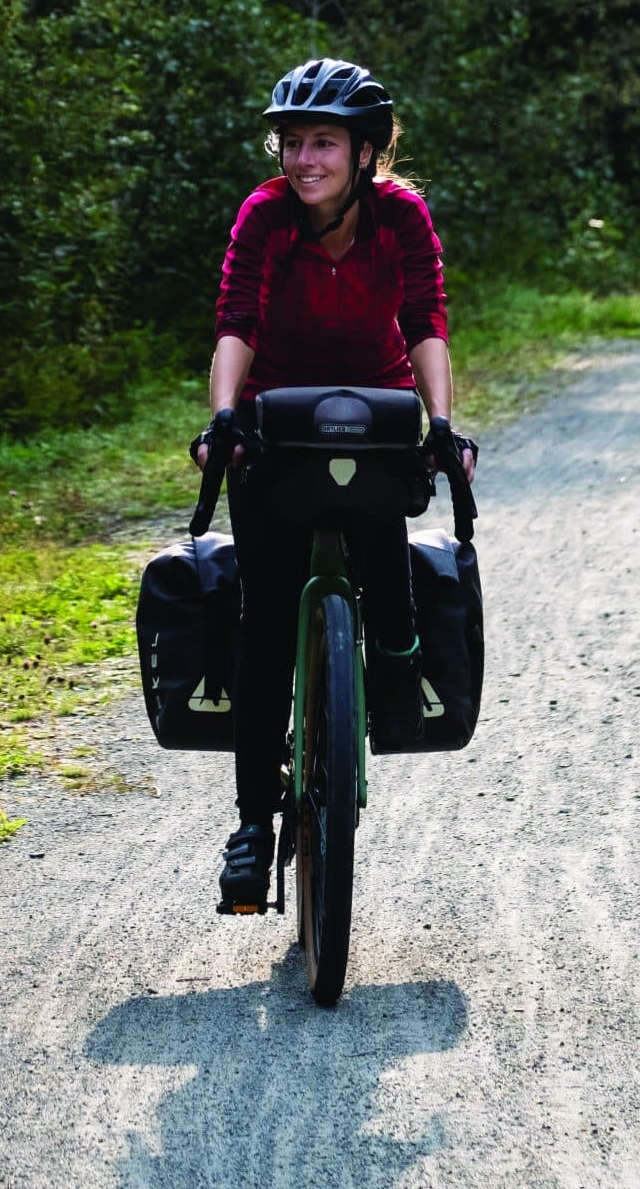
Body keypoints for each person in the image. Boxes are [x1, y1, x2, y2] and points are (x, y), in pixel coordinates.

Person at [194, 56, 477, 911]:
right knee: (265, 629)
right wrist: (222, 417)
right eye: (292, 141)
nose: (303, 158)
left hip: (377, 412)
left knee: (392, 603)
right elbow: (235, 321)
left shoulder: (401, 217)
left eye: (324, 142)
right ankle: (251, 826)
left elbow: (425, 318)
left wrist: (440, 422)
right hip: (274, 420)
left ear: (364, 151)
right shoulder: (265, 216)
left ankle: (381, 681)